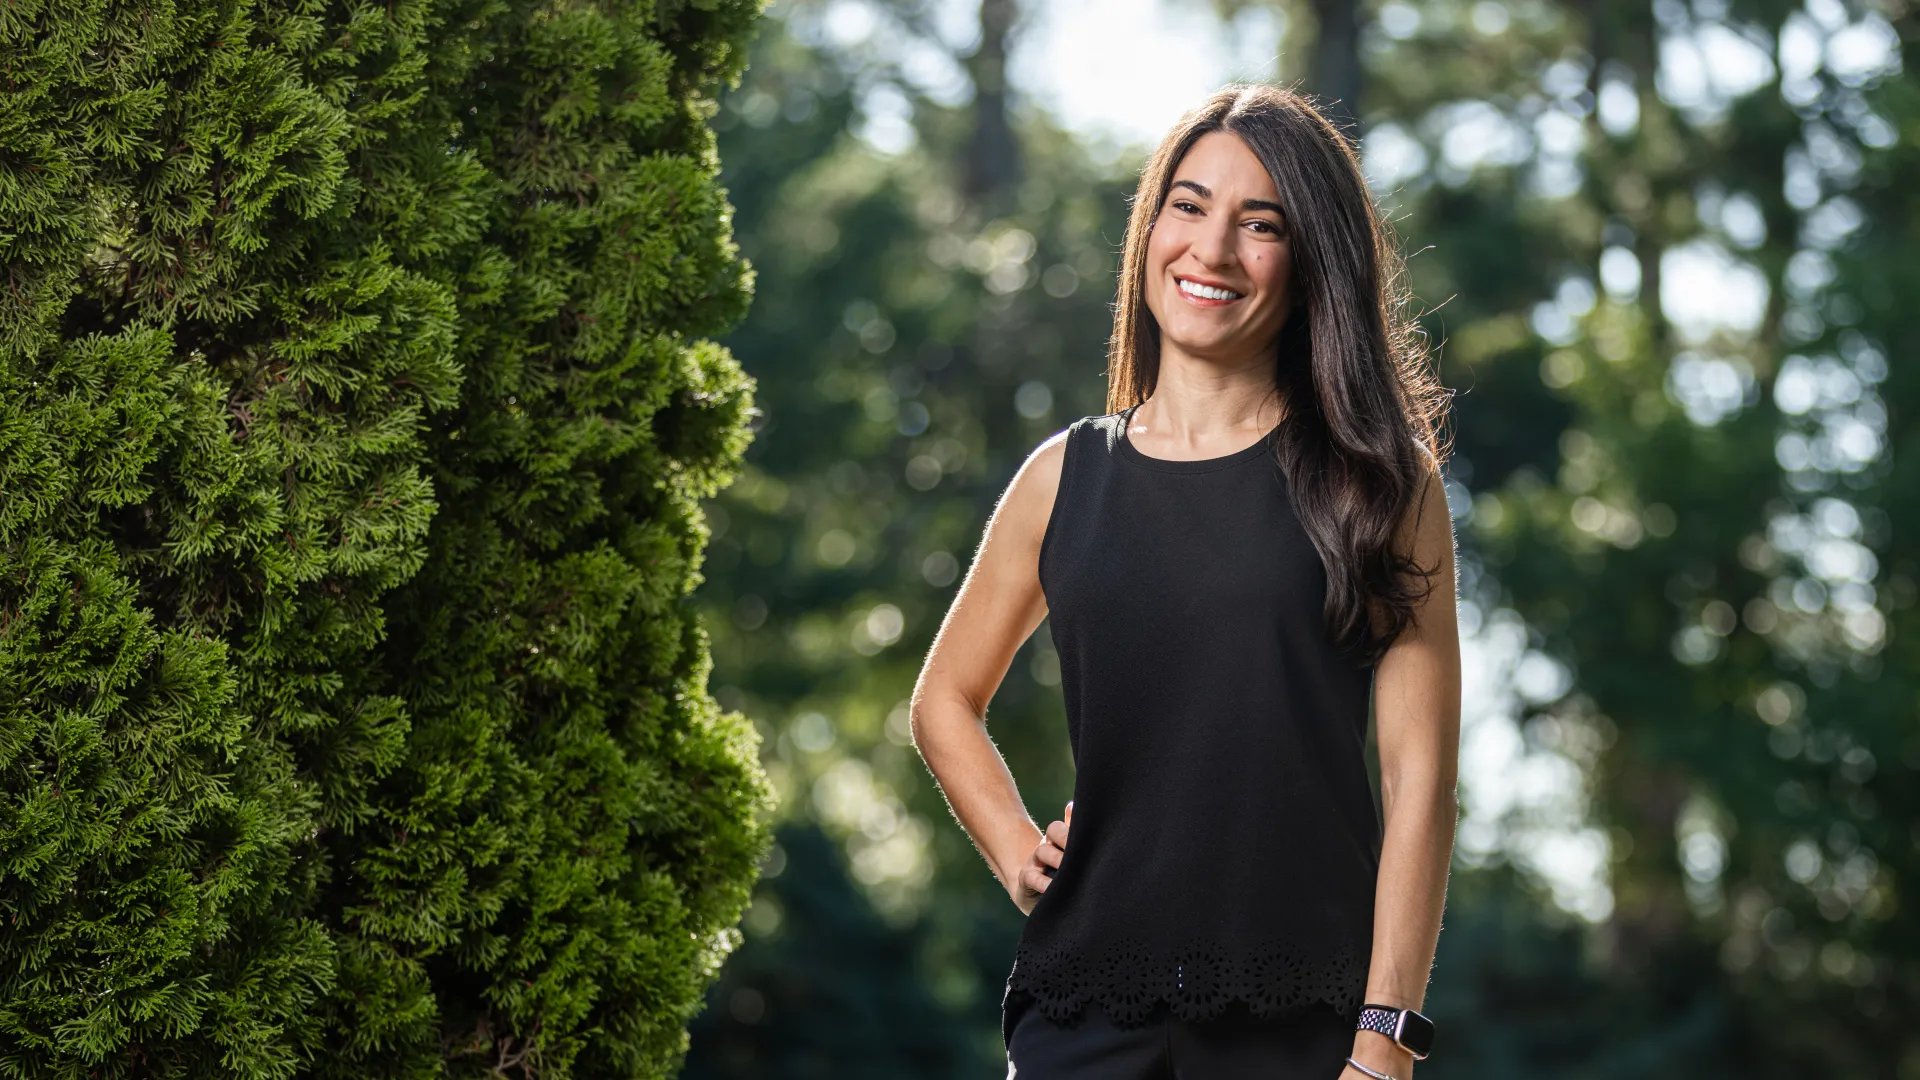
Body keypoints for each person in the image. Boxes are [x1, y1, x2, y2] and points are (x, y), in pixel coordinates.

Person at [908, 82, 1461, 1080]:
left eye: (1262, 225)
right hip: (1082, 1018)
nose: (1211, 251)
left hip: (1299, 1030)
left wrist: (1384, 1044)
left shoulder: (1378, 481)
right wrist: (1016, 846)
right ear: (1151, 225)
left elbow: (1420, 779)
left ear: (1310, 262)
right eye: (1190, 205)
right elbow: (943, 700)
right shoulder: (1062, 479)